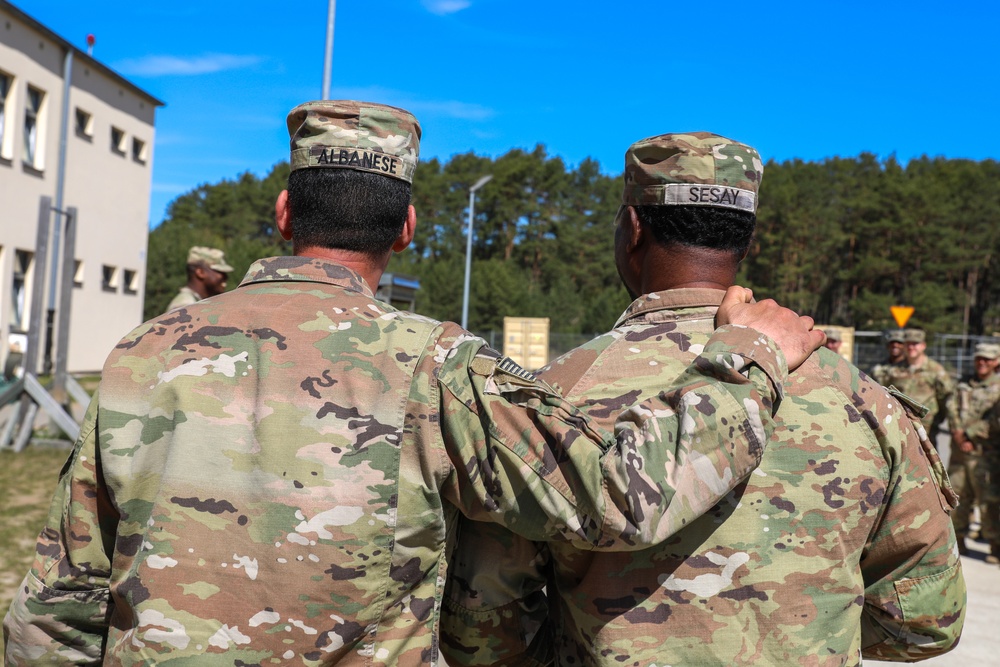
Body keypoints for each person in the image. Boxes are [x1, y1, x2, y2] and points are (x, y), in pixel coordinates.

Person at [3, 104, 824, 664]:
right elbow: (621, 496)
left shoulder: (142, 354)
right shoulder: (438, 364)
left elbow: (58, 605)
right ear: (407, 227)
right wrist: (744, 357)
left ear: (286, 212)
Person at [441, 132, 964, 665]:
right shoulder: (865, 400)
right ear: (746, 239)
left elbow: (482, 628)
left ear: (632, 228)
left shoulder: (550, 396)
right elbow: (925, 620)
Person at [951, 342, 1000, 561]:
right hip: (959, 453)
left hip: (985, 455)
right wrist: (958, 432)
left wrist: (970, 434)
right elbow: (951, 408)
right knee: (957, 497)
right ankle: (958, 541)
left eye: (988, 359)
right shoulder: (964, 383)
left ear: (996, 362)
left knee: (988, 501)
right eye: (979, 358)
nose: (982, 363)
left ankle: (994, 546)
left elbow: (994, 421)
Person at [883, 328, 956, 439]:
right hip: (899, 428)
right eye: (908, 344)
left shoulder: (935, 370)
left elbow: (945, 397)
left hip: (926, 430)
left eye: (915, 344)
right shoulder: (894, 369)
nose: (911, 347)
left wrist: (935, 419)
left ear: (923, 346)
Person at [165, 245, 234, 311]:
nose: (225, 276)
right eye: (219, 271)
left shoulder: (195, 303)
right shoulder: (185, 306)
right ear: (200, 272)